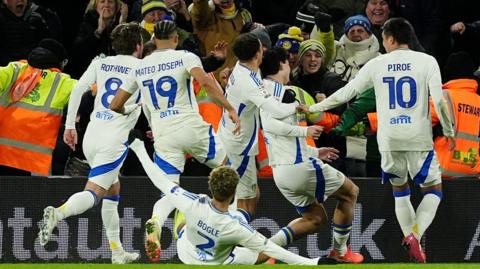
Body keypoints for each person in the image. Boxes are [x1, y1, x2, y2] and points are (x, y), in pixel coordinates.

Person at [307, 18, 455, 263]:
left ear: (391, 39)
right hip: (418, 137)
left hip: (388, 139)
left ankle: (411, 241)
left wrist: (316, 107)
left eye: (384, 39)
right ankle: (415, 236)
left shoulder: (378, 63)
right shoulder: (427, 61)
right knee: (433, 190)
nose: (384, 43)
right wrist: (449, 130)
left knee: (401, 192)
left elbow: (348, 92)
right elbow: (439, 100)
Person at [109, 19, 240, 262]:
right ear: (176, 38)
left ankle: (155, 222)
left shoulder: (140, 67)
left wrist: (131, 110)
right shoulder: (185, 57)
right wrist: (230, 108)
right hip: (190, 126)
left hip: (163, 133)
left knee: (168, 189)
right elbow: (207, 83)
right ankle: (230, 233)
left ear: (153, 40)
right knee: (230, 171)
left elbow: (115, 105)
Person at [128, 133, 333, 265]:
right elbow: (272, 250)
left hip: (187, 253)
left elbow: (160, 180)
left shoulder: (193, 203)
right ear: (234, 192)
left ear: (211, 186)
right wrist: (313, 262)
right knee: (260, 256)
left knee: (180, 213)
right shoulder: (236, 227)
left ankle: (156, 221)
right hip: (220, 260)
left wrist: (138, 148)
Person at [37, 23, 144, 264]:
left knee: (112, 190)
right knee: (94, 193)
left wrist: (70, 126)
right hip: (113, 139)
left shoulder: (100, 62)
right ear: (138, 46)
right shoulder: (142, 67)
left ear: (114, 46)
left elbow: (78, 90)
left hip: (92, 135)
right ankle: (58, 213)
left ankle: (117, 252)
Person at [259, 47, 363, 263]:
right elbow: (269, 124)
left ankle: (268, 251)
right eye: (287, 63)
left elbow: (282, 139)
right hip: (298, 167)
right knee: (350, 192)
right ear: (280, 64)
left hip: (282, 172)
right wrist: (304, 131)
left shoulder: (264, 90)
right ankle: (340, 252)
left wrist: (316, 151)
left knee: (315, 219)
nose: (290, 67)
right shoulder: (278, 91)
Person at [218, 33, 304, 223]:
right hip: (239, 145)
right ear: (258, 53)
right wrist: (296, 107)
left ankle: (228, 237)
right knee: (246, 201)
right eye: (261, 48)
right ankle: (232, 243)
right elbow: (274, 109)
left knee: (250, 194)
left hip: (229, 136)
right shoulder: (249, 81)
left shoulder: (243, 68)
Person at [0, 39, 75, 176]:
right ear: (61, 62)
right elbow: (92, 91)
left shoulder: (15, 69)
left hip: (2, 152)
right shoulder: (63, 82)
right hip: (33, 160)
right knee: (28, 197)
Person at [66, 0, 128, 78]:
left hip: (115, 78)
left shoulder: (123, 26)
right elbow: (77, 54)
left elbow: (128, 54)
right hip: (89, 79)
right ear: (95, 6)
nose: (106, 5)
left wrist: (122, 26)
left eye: (110, 2)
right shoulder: (85, 25)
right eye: (102, 1)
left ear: (117, 7)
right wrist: (98, 32)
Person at [0, 0, 62, 66]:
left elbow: (52, 47)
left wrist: (42, 28)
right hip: (5, 70)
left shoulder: (39, 18)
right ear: (5, 1)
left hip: (33, 70)